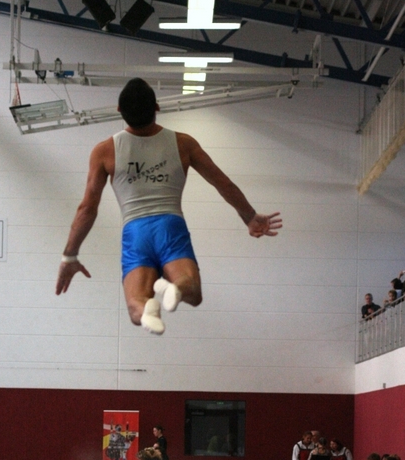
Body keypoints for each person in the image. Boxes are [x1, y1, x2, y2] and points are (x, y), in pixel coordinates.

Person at [55, 77, 282, 335]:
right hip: (170, 226)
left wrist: (69, 255)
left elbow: (87, 208)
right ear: (157, 107)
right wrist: (249, 216)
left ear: (119, 110)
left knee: (135, 306)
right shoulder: (183, 143)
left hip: (135, 232)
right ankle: (175, 288)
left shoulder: (105, 151)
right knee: (192, 292)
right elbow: (222, 183)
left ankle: (146, 309)